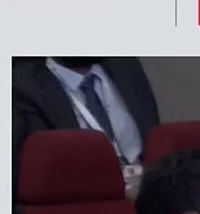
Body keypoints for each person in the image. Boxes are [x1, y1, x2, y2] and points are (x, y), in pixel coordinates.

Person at [12, 56, 160, 194]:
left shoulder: (127, 67)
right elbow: (44, 174)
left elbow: (154, 142)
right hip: (86, 200)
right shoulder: (23, 86)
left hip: (150, 196)